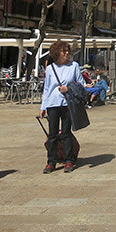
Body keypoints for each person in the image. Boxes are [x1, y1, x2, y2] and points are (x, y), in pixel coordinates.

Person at [40, 41, 85, 174]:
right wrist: (43, 106)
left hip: (67, 103)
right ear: (56, 53)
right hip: (52, 104)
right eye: (63, 51)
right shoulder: (50, 68)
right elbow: (47, 88)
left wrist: (68, 88)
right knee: (52, 134)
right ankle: (51, 162)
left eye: (67, 50)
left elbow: (80, 84)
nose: (66, 53)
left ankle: (68, 160)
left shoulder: (74, 66)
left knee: (66, 133)